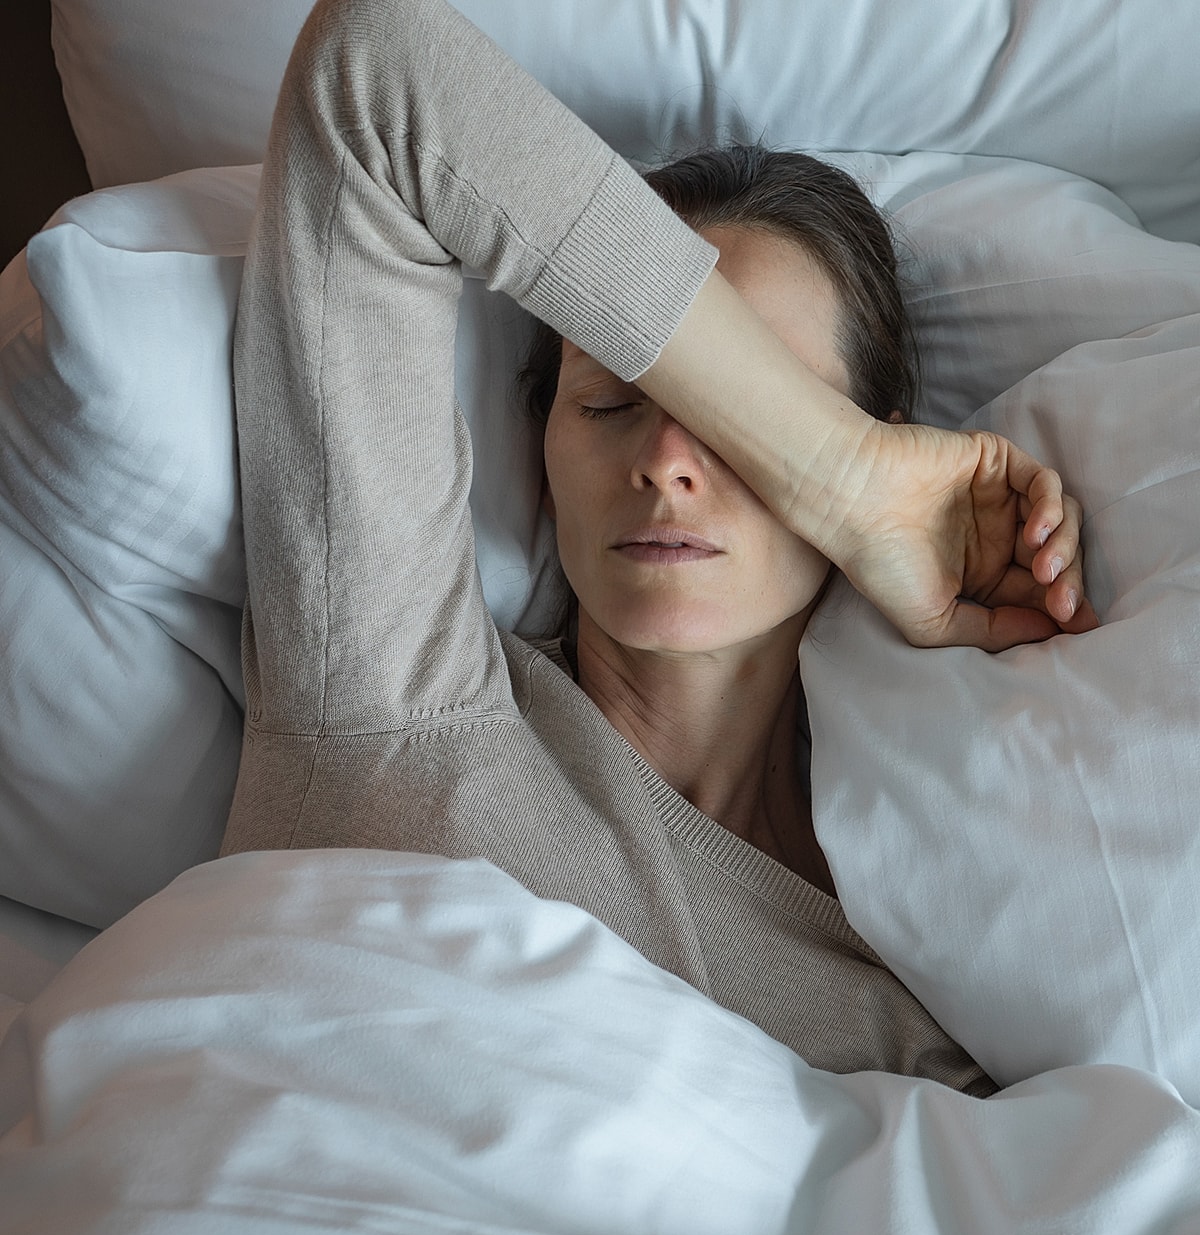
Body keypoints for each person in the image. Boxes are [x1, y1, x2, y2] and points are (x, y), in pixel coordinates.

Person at [221, 0, 1097, 1095]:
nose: (670, 460)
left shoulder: (935, 975)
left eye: (744, 422)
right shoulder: (393, 705)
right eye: (609, 405)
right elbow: (372, 70)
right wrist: (840, 475)